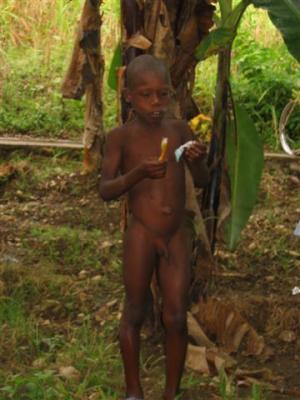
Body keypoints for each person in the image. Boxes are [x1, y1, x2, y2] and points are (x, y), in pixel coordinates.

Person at [99, 54, 209, 400]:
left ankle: (170, 392)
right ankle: (134, 391)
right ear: (129, 96)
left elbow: (201, 180)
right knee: (135, 309)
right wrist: (137, 174)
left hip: (175, 233)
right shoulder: (120, 137)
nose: (156, 103)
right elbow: (106, 190)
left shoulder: (178, 130)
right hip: (142, 233)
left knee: (175, 317)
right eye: (146, 95)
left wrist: (199, 161)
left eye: (163, 94)